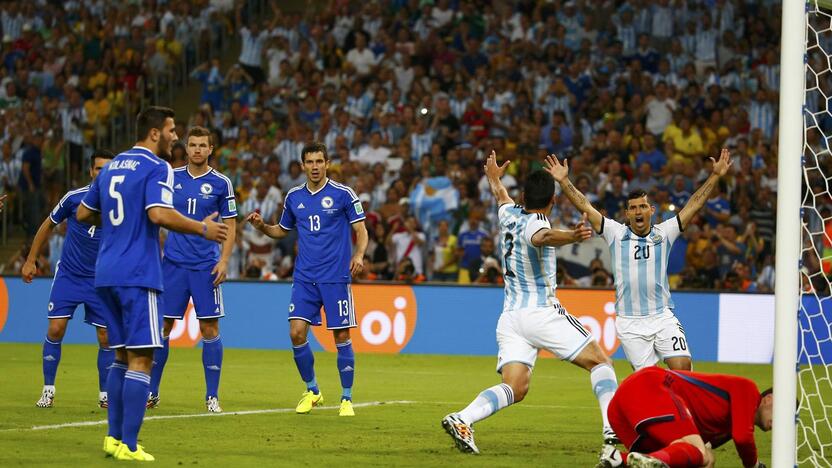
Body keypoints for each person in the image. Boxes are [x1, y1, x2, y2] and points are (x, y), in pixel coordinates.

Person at [442, 151, 620, 458]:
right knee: (601, 363)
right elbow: (543, 236)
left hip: (511, 318)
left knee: (516, 387)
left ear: (523, 196)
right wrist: (573, 236)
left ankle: (464, 418)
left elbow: (500, 195)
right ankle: (611, 430)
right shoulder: (537, 222)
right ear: (552, 202)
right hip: (541, 313)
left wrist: (493, 177)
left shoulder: (508, 213)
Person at [76, 107, 228, 462]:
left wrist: (122, 217)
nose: (176, 137)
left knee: (119, 357)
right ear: (155, 133)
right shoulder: (156, 166)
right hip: (137, 273)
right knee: (142, 358)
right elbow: (159, 214)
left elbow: (83, 213)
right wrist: (202, 228)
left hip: (105, 273)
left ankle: (112, 439)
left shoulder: (112, 165)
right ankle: (129, 444)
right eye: (172, 130)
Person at [548, 149, 732, 371]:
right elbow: (585, 206)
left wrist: (715, 176)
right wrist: (565, 181)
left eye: (642, 206)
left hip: (662, 316)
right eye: (633, 207)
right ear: (627, 213)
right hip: (630, 323)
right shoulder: (615, 233)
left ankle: (683, 406)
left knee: (682, 367)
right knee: (650, 383)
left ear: (651, 210)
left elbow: (694, 204)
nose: (638, 211)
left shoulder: (665, 233)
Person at [246, 142, 368, 417]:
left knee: (341, 335)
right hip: (304, 278)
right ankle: (313, 390)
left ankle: (346, 398)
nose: (315, 167)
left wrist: (359, 255)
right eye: (310, 162)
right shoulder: (293, 197)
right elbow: (281, 231)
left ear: (327, 164)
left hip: (335, 277)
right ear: (302, 165)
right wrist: (262, 226)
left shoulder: (343, 194)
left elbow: (361, 229)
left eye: (319, 161)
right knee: (296, 332)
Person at [147, 126, 238, 413]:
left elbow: (231, 225)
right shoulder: (169, 177)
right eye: (193, 145)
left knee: (209, 328)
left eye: (203, 145)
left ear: (211, 149)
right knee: (163, 327)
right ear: (186, 149)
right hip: (172, 265)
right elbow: (155, 215)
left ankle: (212, 396)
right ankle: (152, 391)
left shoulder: (222, 183)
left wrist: (223, 260)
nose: (197, 149)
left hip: (205, 267)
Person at [22, 149, 115, 409]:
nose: (102, 173)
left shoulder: (120, 204)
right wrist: (31, 259)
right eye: (98, 168)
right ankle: (48, 390)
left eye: (108, 168)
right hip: (70, 276)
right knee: (55, 328)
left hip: (102, 280)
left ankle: (105, 395)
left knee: (106, 337)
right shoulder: (74, 198)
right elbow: (47, 224)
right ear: (91, 171)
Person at [597, 367, 772, 468]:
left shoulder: (726, 427)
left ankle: (617, 461)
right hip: (649, 385)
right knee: (699, 451)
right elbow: (743, 437)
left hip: (622, 413)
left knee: (706, 459)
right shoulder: (748, 389)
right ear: (770, 399)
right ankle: (621, 457)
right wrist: (755, 465)